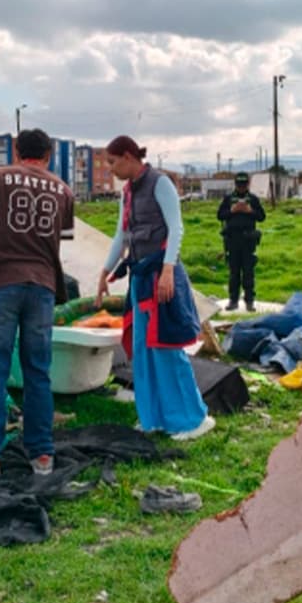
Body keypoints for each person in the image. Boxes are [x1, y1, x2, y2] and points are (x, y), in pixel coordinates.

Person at [0, 128, 75, 480]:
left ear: (16, 150)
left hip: (3, 282)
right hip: (42, 286)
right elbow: (60, 238)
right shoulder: (64, 190)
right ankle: (42, 457)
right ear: (49, 155)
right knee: (38, 371)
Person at [96, 135, 215, 440]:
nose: (110, 169)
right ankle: (155, 418)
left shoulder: (160, 183)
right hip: (140, 278)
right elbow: (121, 235)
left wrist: (167, 270)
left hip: (161, 276)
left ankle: (193, 419)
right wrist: (105, 272)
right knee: (142, 350)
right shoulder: (127, 193)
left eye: (112, 162)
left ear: (127, 156)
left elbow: (176, 227)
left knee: (166, 346)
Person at [217, 171, 266, 311]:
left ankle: (249, 301)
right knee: (234, 272)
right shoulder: (228, 199)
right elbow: (220, 215)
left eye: (244, 184)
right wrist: (232, 210)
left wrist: (250, 211)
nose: (241, 187)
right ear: (235, 184)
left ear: (248, 184)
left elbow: (262, 217)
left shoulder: (253, 199)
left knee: (248, 272)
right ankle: (233, 300)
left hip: (248, 240)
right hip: (232, 240)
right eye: (239, 185)